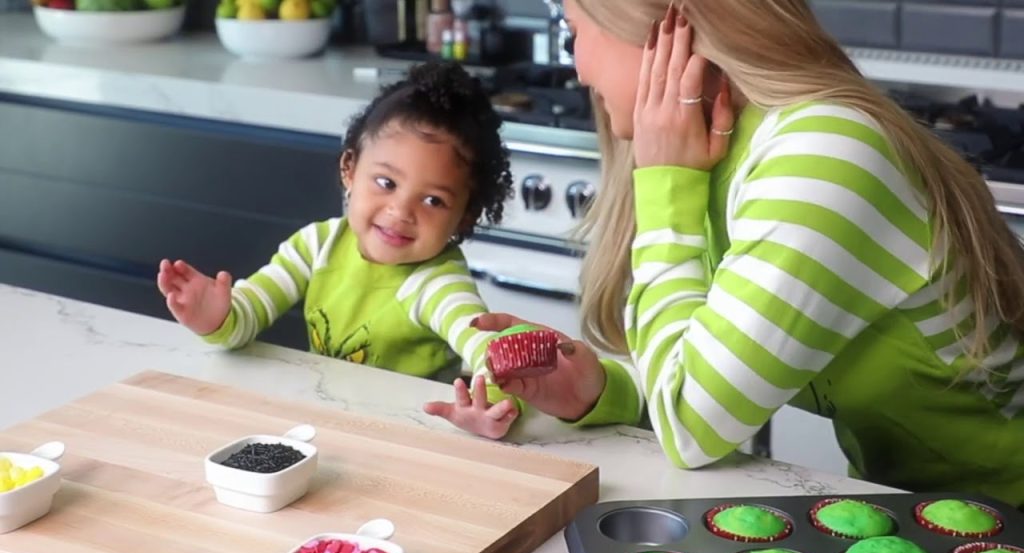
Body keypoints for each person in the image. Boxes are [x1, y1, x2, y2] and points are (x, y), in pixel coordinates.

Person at [470, 0, 1024, 508]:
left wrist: (666, 187)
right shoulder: (731, 149)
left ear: (670, 29)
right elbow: (709, 378)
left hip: (1005, 518)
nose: (580, 70)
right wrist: (595, 390)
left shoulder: (821, 156)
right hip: (921, 512)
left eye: (575, 34)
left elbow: (692, 427)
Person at [157, 61, 520, 440]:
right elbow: (249, 314)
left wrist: (487, 404)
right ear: (350, 168)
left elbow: (488, 349)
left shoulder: (436, 283)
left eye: (433, 200)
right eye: (386, 182)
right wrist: (218, 316)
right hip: (326, 426)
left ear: (465, 216)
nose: (400, 212)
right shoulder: (318, 245)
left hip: (406, 440)